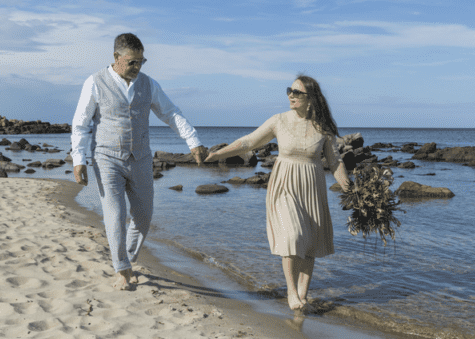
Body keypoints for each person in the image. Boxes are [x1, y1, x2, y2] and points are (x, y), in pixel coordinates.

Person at [72, 33, 207, 291]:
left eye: (141, 62)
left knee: (144, 216)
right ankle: (121, 268)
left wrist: (193, 140)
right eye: (132, 62)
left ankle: (128, 258)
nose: (137, 67)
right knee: (115, 214)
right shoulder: (95, 82)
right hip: (106, 157)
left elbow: (171, 113)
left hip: (142, 158)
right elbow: (80, 123)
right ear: (116, 58)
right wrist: (79, 159)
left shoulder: (148, 84)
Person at [206, 76, 350, 310]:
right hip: (284, 184)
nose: (290, 95)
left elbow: (335, 162)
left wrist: (349, 187)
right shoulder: (279, 120)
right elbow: (248, 142)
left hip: (312, 187)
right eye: (289, 90)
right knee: (292, 236)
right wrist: (218, 154)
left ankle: (303, 294)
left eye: (297, 92)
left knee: (310, 242)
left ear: (311, 98)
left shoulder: (323, 127)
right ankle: (291, 292)